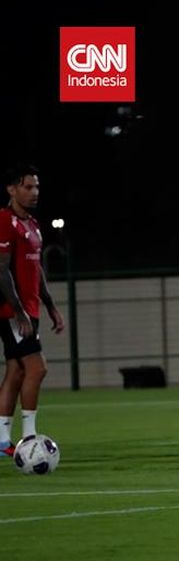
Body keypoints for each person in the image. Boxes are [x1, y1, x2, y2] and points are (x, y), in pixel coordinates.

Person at [0, 164, 65, 457]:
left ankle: (2, 442)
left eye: (37, 186)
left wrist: (50, 305)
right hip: (12, 311)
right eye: (28, 186)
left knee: (16, 371)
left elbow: (36, 268)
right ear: (12, 189)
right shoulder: (4, 220)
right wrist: (18, 311)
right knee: (37, 369)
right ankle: (28, 440)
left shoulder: (33, 224)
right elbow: (2, 270)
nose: (34, 192)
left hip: (30, 310)